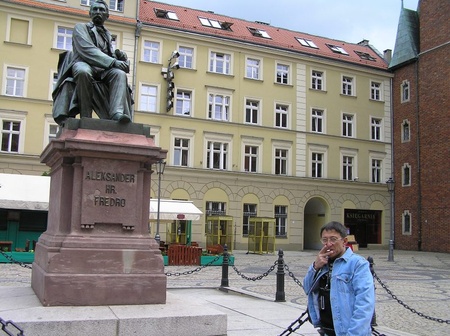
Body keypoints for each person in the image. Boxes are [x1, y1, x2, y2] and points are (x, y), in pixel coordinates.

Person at [52, 0, 132, 125]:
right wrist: (113, 62)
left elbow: (107, 53)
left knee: (119, 74)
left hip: (102, 69)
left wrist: (119, 57)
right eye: (95, 9)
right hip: (83, 62)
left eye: (101, 10)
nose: (98, 12)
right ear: (90, 13)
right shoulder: (81, 27)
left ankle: (117, 113)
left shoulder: (107, 34)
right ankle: (86, 115)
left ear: (107, 15)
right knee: (83, 71)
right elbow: (87, 49)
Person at [303, 221, 375, 336]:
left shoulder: (357, 264)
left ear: (344, 241)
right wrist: (315, 267)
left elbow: (364, 304)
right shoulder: (322, 263)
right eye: (324, 240)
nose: (328, 244)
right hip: (326, 330)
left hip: (347, 332)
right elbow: (307, 288)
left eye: (333, 239)